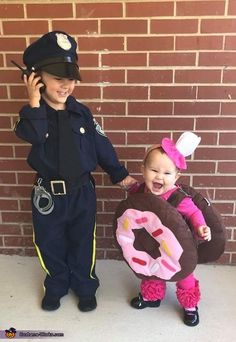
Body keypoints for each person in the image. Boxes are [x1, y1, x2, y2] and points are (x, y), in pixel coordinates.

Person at [14, 31, 136, 312]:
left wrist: (119, 174)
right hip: (48, 195)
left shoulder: (82, 113)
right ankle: (56, 283)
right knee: (49, 241)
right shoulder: (30, 115)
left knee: (83, 241)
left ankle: (84, 285)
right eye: (58, 78)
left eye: (71, 78)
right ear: (36, 78)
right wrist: (34, 101)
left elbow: (101, 144)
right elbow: (34, 135)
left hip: (82, 191)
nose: (66, 85)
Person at [126, 132, 211, 326]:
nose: (159, 177)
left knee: (184, 275)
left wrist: (201, 227)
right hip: (151, 243)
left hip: (178, 247)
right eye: (153, 170)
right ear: (143, 169)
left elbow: (195, 214)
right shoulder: (141, 191)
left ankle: (190, 305)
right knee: (152, 270)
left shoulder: (178, 198)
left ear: (176, 176)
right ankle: (152, 296)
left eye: (167, 173)